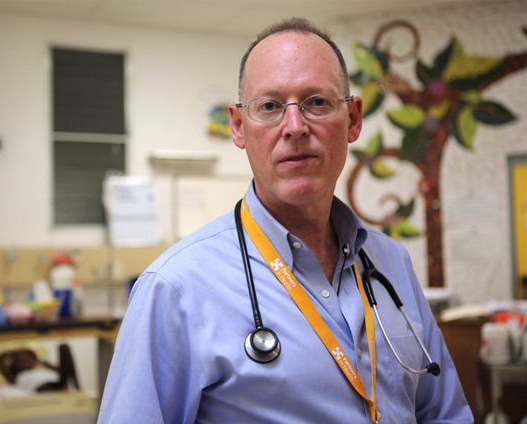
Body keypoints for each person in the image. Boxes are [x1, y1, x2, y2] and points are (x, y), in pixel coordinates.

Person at [98, 18, 473, 423]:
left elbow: (444, 413)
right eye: (270, 107)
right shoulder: (174, 291)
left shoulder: (391, 263)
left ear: (353, 119)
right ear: (239, 127)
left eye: (316, 102)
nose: (295, 128)